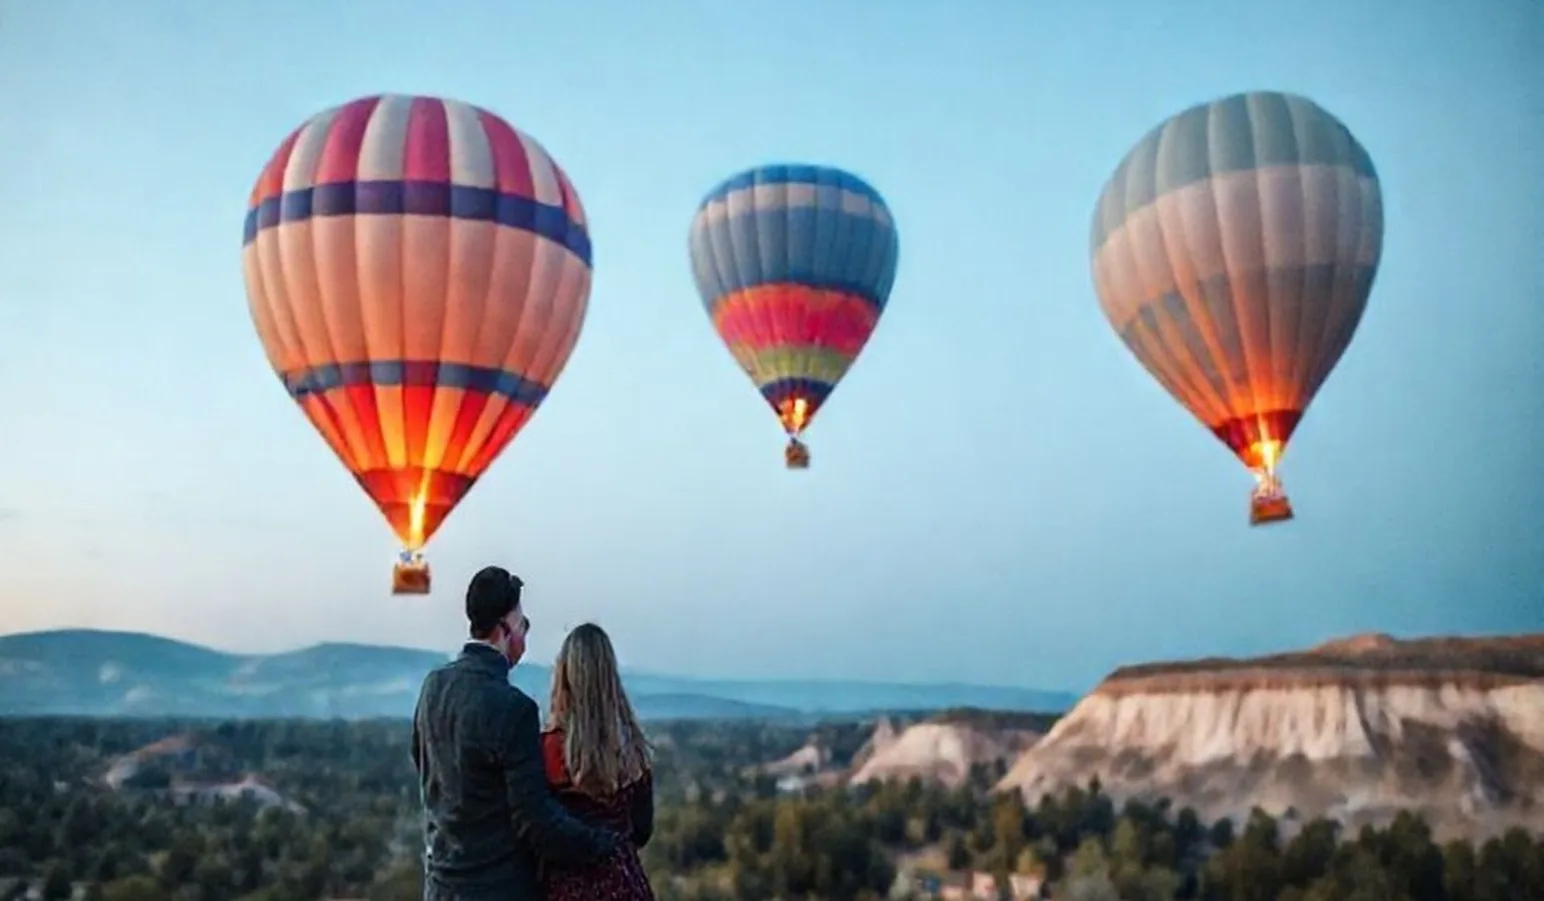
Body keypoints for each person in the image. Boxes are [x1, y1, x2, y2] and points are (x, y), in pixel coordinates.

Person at [411, 566, 619, 901]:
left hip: (440, 889)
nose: (525, 635)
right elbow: (535, 821)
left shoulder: (432, 688)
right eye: (524, 624)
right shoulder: (514, 709)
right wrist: (602, 844)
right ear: (505, 628)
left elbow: (427, 774)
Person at [539, 622, 657, 901]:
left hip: (565, 888)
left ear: (564, 676)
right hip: (623, 882)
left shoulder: (548, 749)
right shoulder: (632, 750)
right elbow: (642, 830)